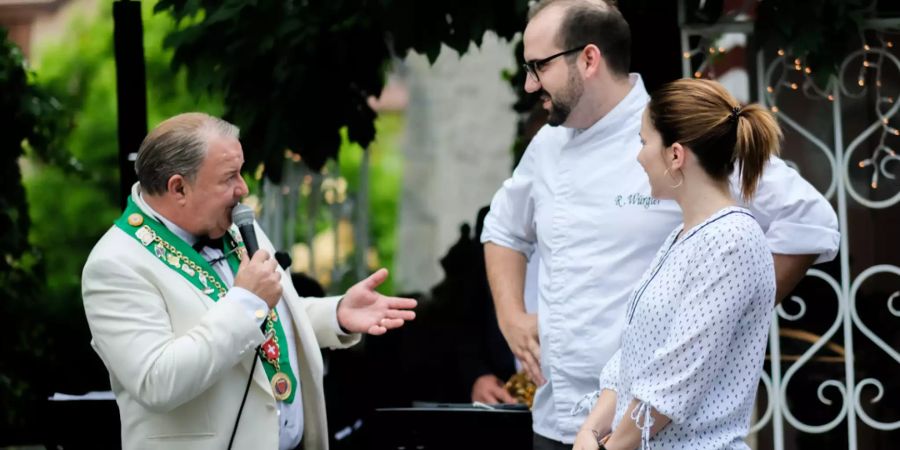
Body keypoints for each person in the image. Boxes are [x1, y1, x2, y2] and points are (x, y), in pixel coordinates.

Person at [480, 1, 840, 448]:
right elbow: (504, 229)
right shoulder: (548, 146)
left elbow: (808, 220)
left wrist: (725, 317)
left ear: (589, 59)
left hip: (655, 431)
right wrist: (511, 316)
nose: (531, 82)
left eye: (540, 66)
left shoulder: (676, 132)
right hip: (560, 418)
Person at [81, 112, 417, 450]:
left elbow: (273, 314)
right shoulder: (115, 264)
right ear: (178, 187)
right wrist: (245, 301)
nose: (243, 189)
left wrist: (337, 312)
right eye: (229, 178)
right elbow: (157, 381)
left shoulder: (234, 226)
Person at [573, 79, 781, 449]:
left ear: (675, 155)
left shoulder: (732, 241)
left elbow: (676, 379)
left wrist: (607, 447)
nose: (638, 156)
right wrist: (588, 431)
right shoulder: (682, 237)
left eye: (643, 142)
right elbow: (635, 356)